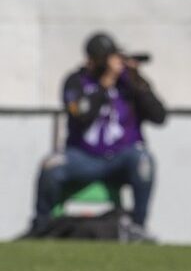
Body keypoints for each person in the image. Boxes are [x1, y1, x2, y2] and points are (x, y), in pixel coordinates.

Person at [29, 32, 166, 240]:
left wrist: (137, 81)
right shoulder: (76, 81)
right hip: (82, 157)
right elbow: (82, 114)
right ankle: (41, 227)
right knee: (50, 166)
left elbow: (159, 116)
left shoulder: (129, 83)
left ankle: (138, 227)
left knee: (144, 161)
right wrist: (104, 84)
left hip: (121, 158)